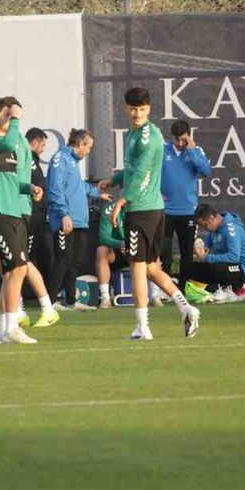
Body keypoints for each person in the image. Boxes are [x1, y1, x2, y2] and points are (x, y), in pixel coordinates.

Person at [99, 87, 200, 341]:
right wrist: (115, 180)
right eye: (133, 109)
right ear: (126, 108)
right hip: (152, 210)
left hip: (142, 210)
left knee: (136, 267)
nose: (137, 114)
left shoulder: (147, 137)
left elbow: (142, 174)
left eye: (142, 109)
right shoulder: (134, 133)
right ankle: (186, 308)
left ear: (149, 109)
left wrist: (121, 201)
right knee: (152, 268)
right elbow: (132, 169)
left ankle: (143, 327)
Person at [0, 98, 42, 343]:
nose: (10, 117)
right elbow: (8, 141)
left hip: (14, 212)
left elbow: (13, 181)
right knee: (16, 268)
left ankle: (4, 331)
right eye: (6, 113)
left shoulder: (8, 145)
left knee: (12, 271)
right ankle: (12, 328)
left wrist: (30, 187)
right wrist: (15, 119)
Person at [0, 97, 59, 329]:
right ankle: (15, 312)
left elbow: (23, 182)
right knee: (5, 262)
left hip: (20, 211)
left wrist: (33, 193)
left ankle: (43, 308)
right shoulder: (13, 144)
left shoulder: (17, 144)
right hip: (9, 209)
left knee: (21, 262)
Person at [45, 129, 107, 308]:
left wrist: (98, 193)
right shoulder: (61, 159)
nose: (89, 151)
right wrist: (64, 214)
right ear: (80, 144)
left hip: (78, 220)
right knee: (62, 261)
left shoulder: (73, 162)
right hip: (65, 220)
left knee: (74, 262)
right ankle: (49, 303)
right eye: (89, 147)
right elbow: (55, 189)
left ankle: (70, 301)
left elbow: (79, 186)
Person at [161, 119, 211, 282]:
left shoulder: (196, 151)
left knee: (187, 252)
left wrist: (192, 150)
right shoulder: (162, 150)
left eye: (184, 139)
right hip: (165, 210)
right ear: (172, 137)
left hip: (188, 211)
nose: (181, 143)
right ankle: (163, 286)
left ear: (189, 136)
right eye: (177, 140)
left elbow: (205, 171)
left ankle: (183, 286)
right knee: (163, 251)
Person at [190, 203, 245, 301]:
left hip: (242, 269)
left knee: (214, 267)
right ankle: (222, 289)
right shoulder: (213, 230)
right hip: (223, 267)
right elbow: (206, 248)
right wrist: (200, 252)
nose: (205, 228)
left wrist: (207, 258)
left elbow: (233, 257)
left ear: (211, 219)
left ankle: (241, 287)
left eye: (205, 225)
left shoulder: (231, 227)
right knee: (191, 268)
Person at [25, 127, 54, 289]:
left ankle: (49, 294)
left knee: (45, 256)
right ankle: (18, 295)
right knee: (26, 257)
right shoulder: (25, 159)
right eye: (42, 145)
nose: (43, 149)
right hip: (31, 217)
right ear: (35, 142)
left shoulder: (33, 161)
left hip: (40, 218)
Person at [95, 197, 126, 310]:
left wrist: (132, 245)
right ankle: (105, 298)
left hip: (137, 248)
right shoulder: (109, 208)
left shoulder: (141, 206)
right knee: (102, 250)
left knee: (153, 252)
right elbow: (104, 237)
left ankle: (155, 296)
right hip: (116, 250)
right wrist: (121, 244)